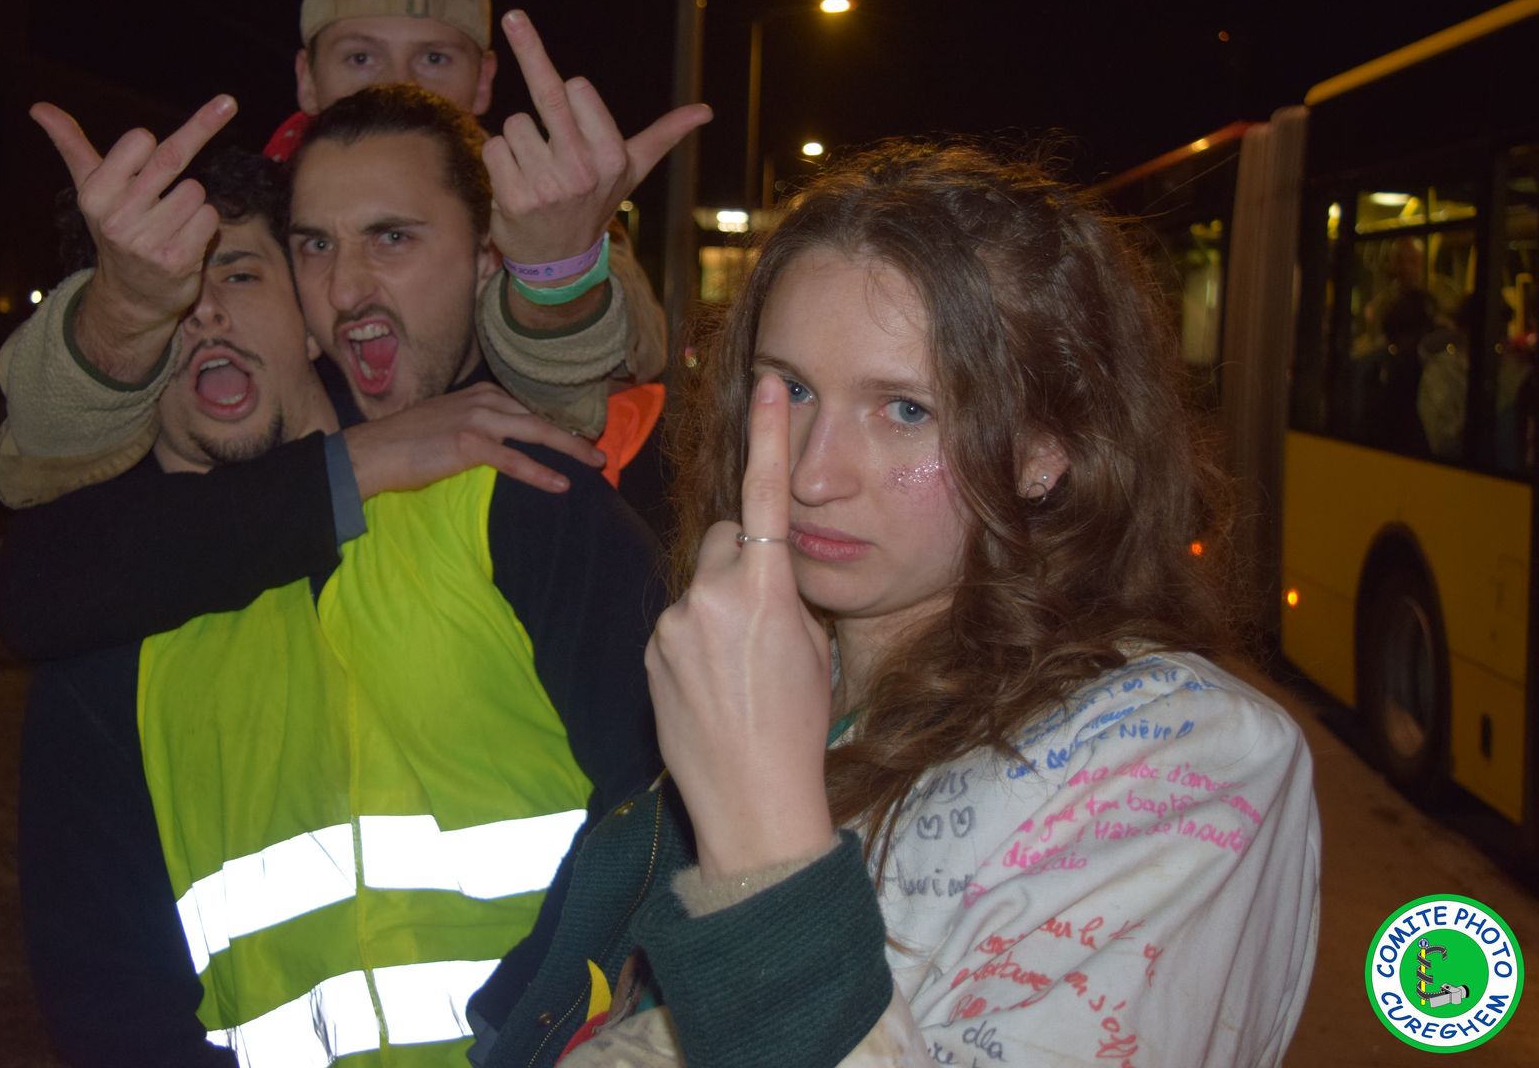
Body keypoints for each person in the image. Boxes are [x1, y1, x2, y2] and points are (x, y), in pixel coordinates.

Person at [472, 142, 1322, 1067]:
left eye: (906, 410)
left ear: (1048, 447)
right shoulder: (770, 664)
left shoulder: (1186, 757)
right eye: (792, 390)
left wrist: (762, 842)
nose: (812, 473)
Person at [2, 99, 667, 1066]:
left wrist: (530, 1034)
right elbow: (109, 1002)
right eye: (159, 298)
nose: (205, 313)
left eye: (238, 272)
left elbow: (667, 796)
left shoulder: (502, 492)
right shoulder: (102, 634)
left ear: (311, 318)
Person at [0, 0, 705, 507]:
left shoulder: (548, 214)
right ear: (307, 77)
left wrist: (550, 272)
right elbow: (47, 455)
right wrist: (124, 309)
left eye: (433, 58)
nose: (396, 84)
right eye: (360, 57)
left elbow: (613, 362)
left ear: (485, 79)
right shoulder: (233, 221)